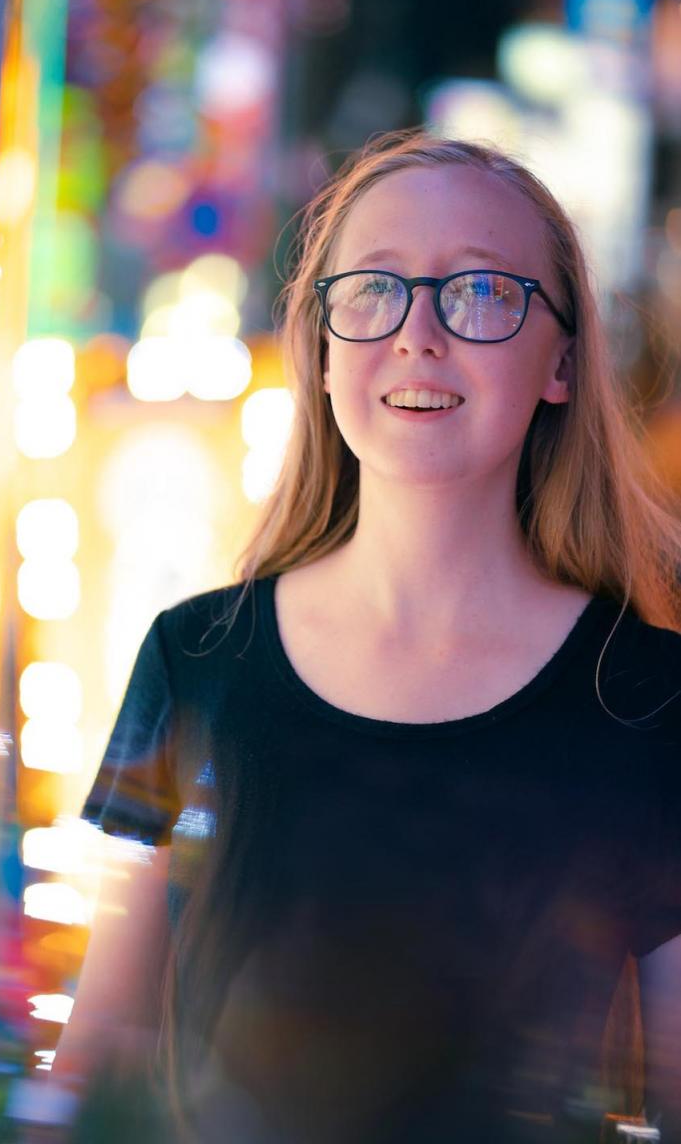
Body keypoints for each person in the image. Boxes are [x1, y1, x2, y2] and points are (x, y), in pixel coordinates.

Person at [52, 129, 681, 1144]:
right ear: (322, 344)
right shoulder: (195, 660)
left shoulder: (653, 701)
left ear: (562, 360)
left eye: (480, 292)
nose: (418, 335)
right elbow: (101, 1058)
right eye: (375, 289)